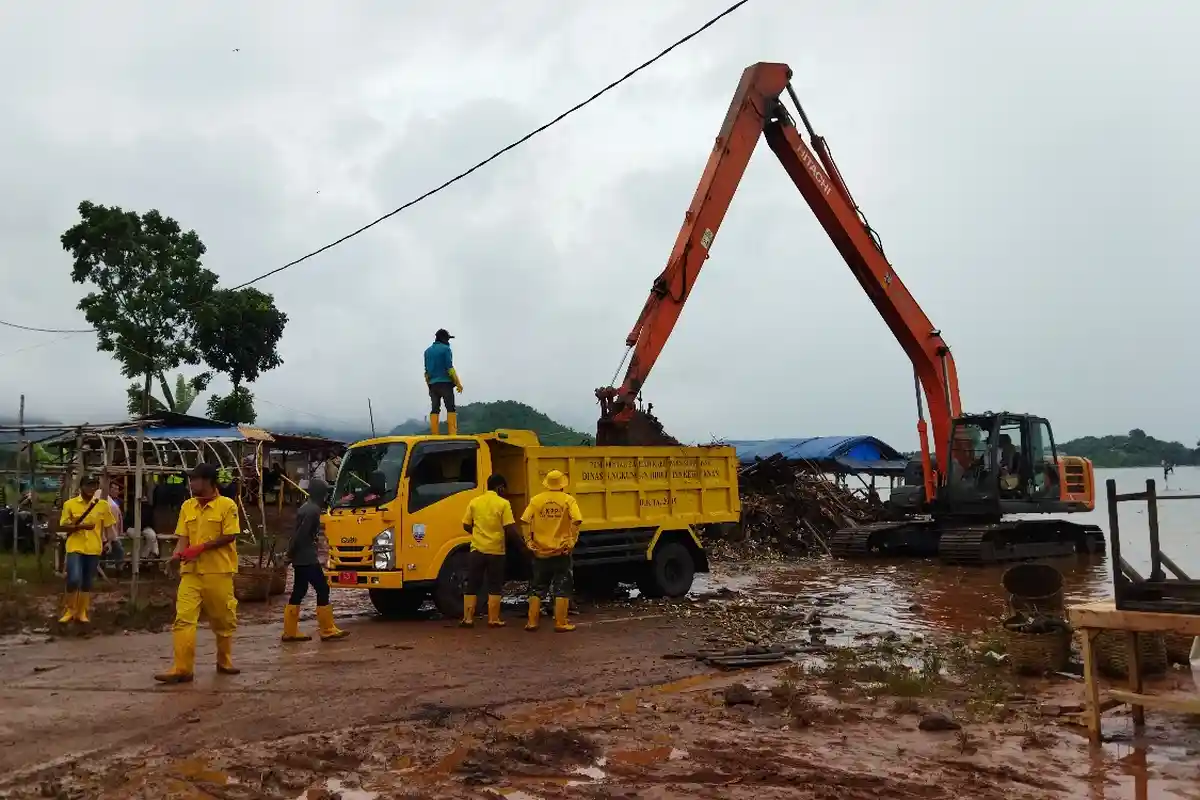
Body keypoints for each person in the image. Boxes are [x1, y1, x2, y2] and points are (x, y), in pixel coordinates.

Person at [154, 463, 242, 684]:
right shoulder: (187, 506)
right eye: (191, 479)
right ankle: (182, 668)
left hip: (218, 571)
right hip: (191, 572)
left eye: (195, 479)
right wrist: (177, 555)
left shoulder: (227, 505)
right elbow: (183, 536)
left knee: (223, 619)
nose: (191, 484)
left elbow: (230, 536)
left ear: (209, 481)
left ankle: (224, 660)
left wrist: (201, 547)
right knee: (183, 618)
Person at [281, 478, 348, 643]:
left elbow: (298, 535)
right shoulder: (313, 511)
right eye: (325, 493)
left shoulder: (307, 507)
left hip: (300, 558)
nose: (326, 496)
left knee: (299, 591)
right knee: (323, 588)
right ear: (320, 493)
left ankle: (290, 631)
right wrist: (288, 555)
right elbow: (301, 535)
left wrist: (290, 555)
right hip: (307, 558)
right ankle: (327, 629)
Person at [520, 470, 583, 633]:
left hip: (540, 551)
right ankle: (561, 623)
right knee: (562, 586)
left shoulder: (536, 500)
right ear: (562, 484)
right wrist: (571, 541)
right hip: (561, 551)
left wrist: (528, 541)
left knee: (537, 587)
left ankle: (532, 621)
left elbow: (525, 521)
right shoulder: (568, 500)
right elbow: (577, 520)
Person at [460, 474, 519, 628]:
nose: (505, 492)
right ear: (499, 487)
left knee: (472, 584)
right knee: (494, 584)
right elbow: (509, 528)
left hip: (477, 550)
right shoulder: (503, 504)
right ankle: (493, 619)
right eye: (504, 489)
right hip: (496, 551)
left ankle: (468, 618)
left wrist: (479, 533)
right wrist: (522, 545)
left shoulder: (474, 502)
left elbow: (466, 524)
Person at [57, 474, 118, 624]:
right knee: (73, 578)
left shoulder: (102, 505)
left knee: (87, 581)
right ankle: (70, 609)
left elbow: (109, 527)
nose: (91, 488)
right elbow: (63, 526)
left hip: (93, 547)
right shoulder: (70, 504)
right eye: (88, 485)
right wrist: (81, 526)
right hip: (75, 546)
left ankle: (81, 611)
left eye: (94, 485)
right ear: (81, 487)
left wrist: (109, 542)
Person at [424, 328, 463, 435]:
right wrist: (458, 383)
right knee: (450, 408)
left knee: (435, 409)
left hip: (432, 384)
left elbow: (426, 373)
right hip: (445, 384)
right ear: (444, 339)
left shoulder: (427, 351)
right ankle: (452, 434)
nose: (448, 341)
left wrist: (429, 387)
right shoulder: (446, 349)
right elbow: (449, 368)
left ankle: (435, 434)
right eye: (448, 339)